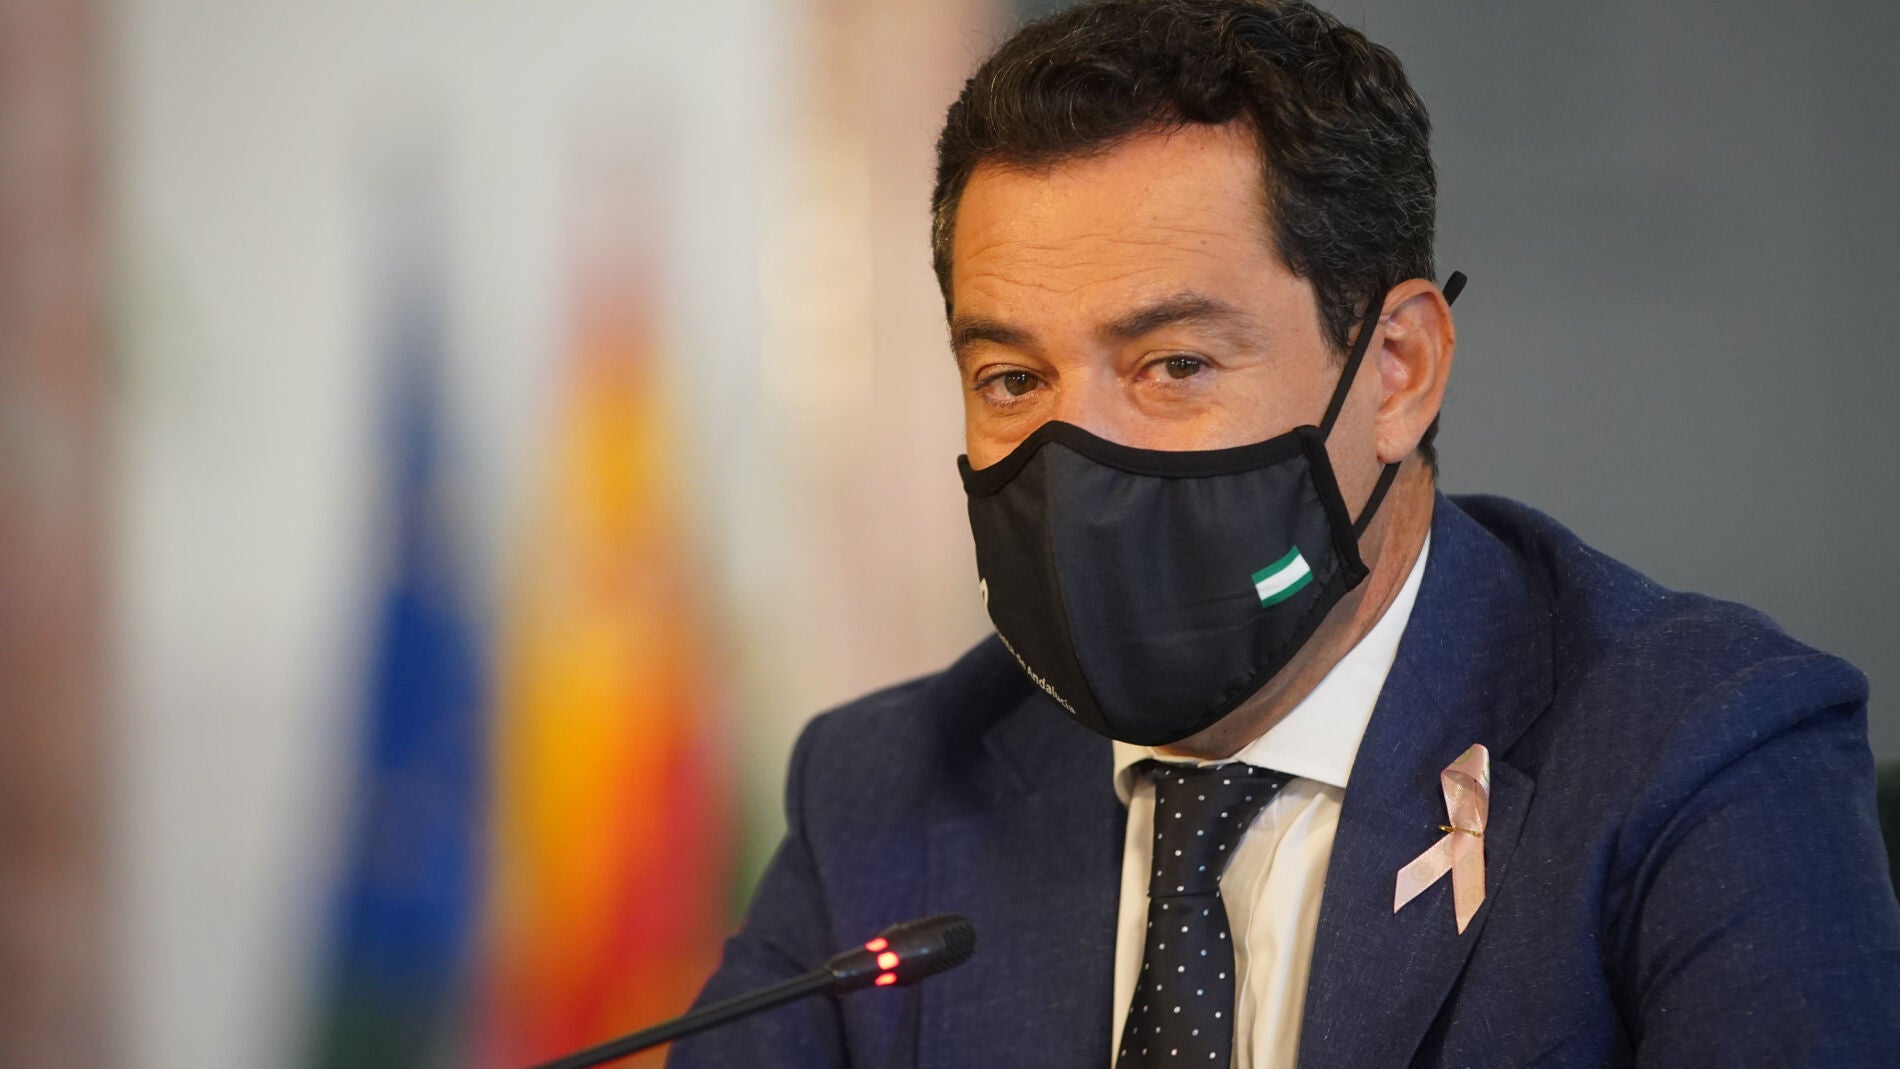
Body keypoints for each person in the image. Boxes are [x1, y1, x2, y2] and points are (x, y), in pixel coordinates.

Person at [670, 1, 1900, 1065]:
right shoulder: (883, 790)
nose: (1076, 458)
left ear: (1397, 369)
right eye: (1010, 380)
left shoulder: (1692, 752)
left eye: (1173, 364)